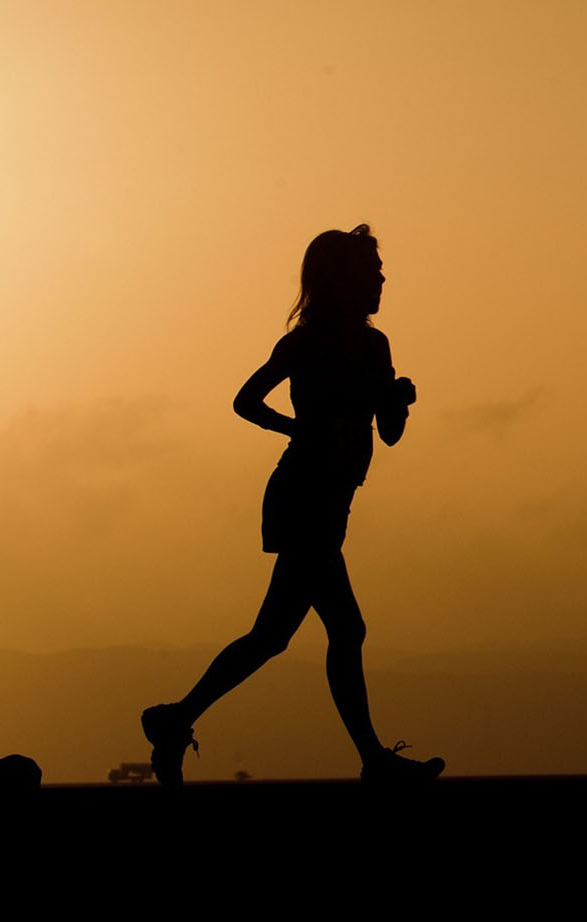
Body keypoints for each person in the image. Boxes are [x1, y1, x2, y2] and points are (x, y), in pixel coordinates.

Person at [141, 224, 443, 786]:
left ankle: (174, 719)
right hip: (304, 496)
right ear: (336, 280)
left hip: (334, 501)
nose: (381, 279)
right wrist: (301, 431)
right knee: (342, 630)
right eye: (368, 270)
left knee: (275, 636)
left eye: (379, 270)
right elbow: (245, 400)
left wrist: (397, 399)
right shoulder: (305, 343)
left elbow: (390, 432)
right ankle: (374, 761)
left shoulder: (376, 346)